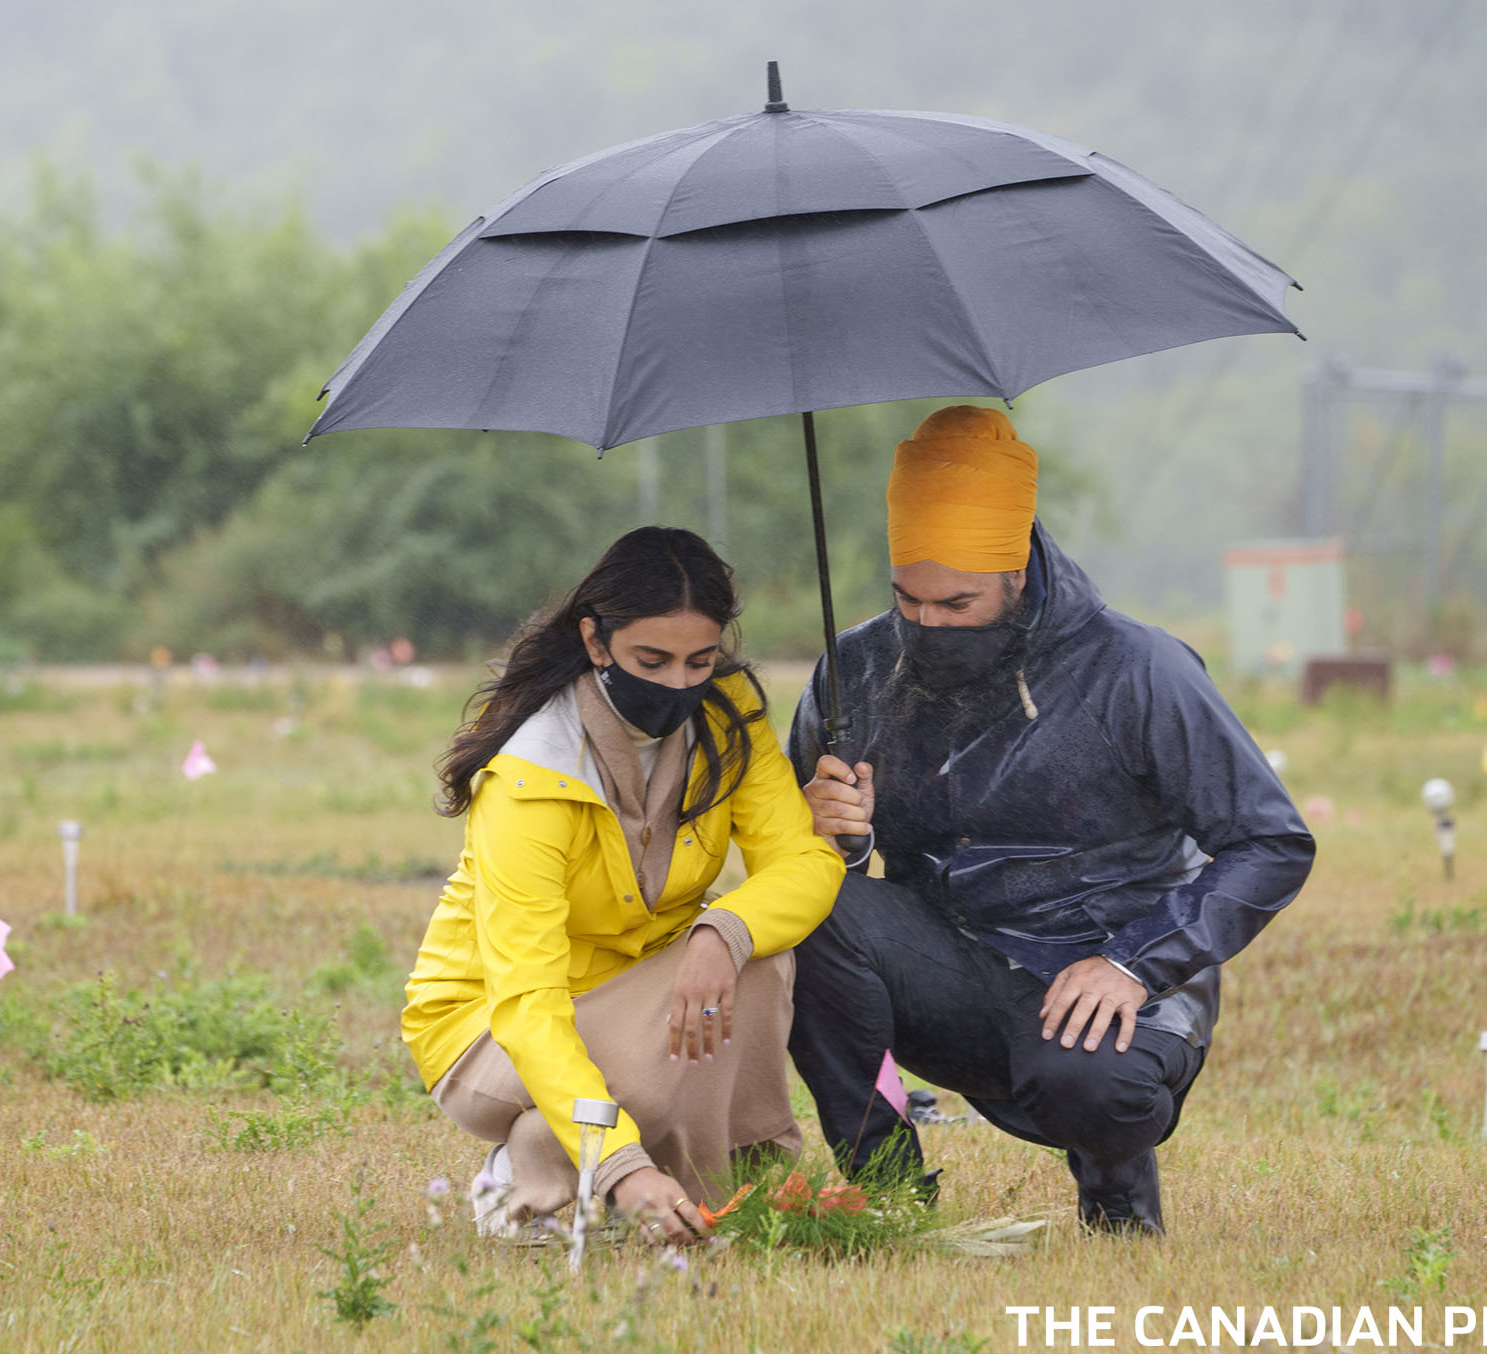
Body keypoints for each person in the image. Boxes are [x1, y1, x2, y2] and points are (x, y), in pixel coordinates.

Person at [786, 406, 1314, 1234]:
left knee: (1092, 1083)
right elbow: (809, 866)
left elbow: (1272, 842)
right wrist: (833, 838)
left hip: (1102, 971)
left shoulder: (1139, 670)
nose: (926, 627)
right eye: (907, 600)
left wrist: (1134, 963)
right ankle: (883, 1192)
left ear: (1018, 571)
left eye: (956, 603)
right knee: (806, 911)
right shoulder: (855, 666)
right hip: (945, 963)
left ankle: (1115, 1198)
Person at [404, 526, 846, 1246]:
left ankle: (733, 1185)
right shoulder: (530, 775)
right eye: (653, 659)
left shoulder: (729, 710)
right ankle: (535, 1171)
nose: (678, 683)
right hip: (491, 1031)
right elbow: (527, 1004)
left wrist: (720, 931)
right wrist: (621, 1164)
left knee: (759, 954)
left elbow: (802, 862)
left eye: (699, 660)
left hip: (640, 990)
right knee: (633, 1094)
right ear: (596, 641)